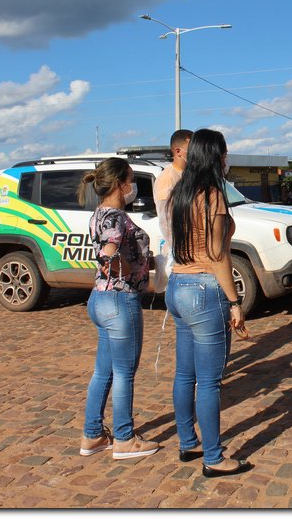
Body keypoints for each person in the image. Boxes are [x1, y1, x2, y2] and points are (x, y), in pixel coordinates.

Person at [166, 128, 252, 478]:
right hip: (204, 289)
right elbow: (218, 256)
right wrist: (234, 302)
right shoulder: (212, 194)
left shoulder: (180, 192)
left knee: (186, 374)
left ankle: (189, 442)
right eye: (224, 153)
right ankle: (213, 457)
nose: (227, 158)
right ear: (214, 155)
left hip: (178, 283)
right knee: (210, 380)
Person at [78, 157, 160, 460]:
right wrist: (128, 270)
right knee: (125, 373)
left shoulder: (98, 215)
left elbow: (113, 253)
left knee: (104, 372)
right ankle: (125, 438)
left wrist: (141, 264)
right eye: (130, 179)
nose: (133, 186)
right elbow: (109, 254)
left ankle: (93, 434)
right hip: (118, 299)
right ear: (118, 184)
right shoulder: (115, 217)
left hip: (99, 297)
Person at [153, 129, 193, 267]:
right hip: (179, 251)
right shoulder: (167, 179)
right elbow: (166, 220)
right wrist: (179, 248)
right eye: (191, 148)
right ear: (178, 151)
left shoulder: (189, 174)